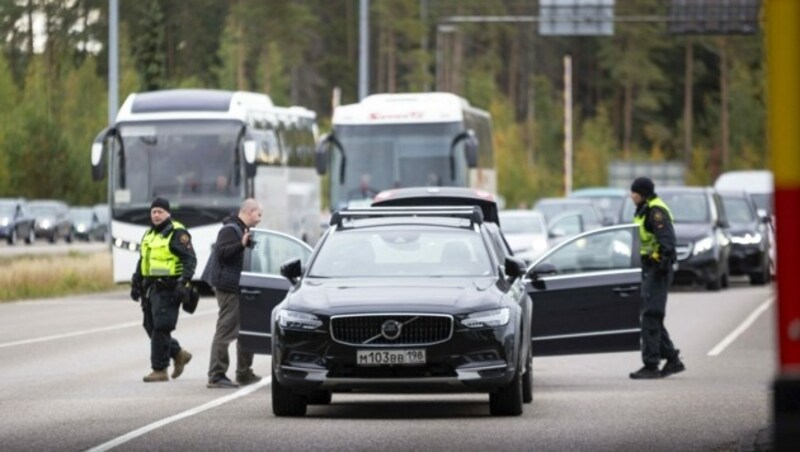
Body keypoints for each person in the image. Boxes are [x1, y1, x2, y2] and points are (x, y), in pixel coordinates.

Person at [130, 197, 196, 382]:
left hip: (169, 287)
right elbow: (143, 260)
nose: (156, 215)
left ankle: (159, 369)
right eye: (153, 212)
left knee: (161, 327)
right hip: (150, 288)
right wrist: (136, 282)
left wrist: (183, 282)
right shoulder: (149, 234)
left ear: (168, 213)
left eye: (160, 211)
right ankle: (178, 353)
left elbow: (190, 260)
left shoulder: (177, 233)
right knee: (150, 326)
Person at [629, 177, 686, 379]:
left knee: (651, 316)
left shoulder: (656, 212)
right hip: (649, 269)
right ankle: (672, 359)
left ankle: (651, 365)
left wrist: (657, 266)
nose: (631, 195)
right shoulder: (645, 208)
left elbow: (667, 244)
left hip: (658, 270)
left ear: (642, 193)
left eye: (634, 192)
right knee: (652, 316)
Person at [206, 198, 264, 388]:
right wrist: (241, 244)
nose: (260, 219)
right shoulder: (229, 230)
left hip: (241, 286)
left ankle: (244, 372)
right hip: (228, 287)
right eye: (258, 214)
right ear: (248, 212)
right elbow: (221, 253)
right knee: (227, 328)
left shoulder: (242, 230)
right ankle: (216, 374)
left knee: (246, 329)